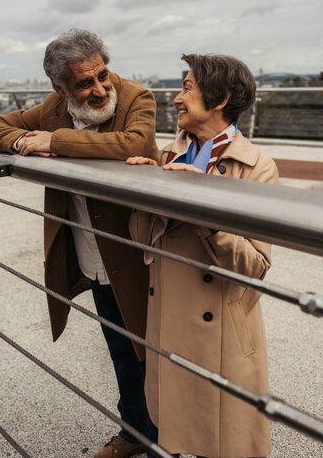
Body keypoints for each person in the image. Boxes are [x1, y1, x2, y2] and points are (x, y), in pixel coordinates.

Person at [0, 28, 159, 458]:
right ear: (59, 87)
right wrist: (23, 140)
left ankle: (167, 442)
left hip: (141, 256)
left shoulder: (136, 97)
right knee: (120, 349)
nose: (100, 89)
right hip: (91, 254)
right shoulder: (53, 108)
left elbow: (132, 143)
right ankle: (135, 431)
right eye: (84, 83)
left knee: (155, 352)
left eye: (103, 75)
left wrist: (54, 142)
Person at [127, 53, 279, 458]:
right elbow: (143, 242)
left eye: (187, 88)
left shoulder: (258, 167)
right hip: (168, 324)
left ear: (220, 98)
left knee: (221, 437)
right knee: (177, 428)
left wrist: (207, 212)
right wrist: (141, 196)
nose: (176, 98)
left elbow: (256, 266)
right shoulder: (166, 156)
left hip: (222, 332)